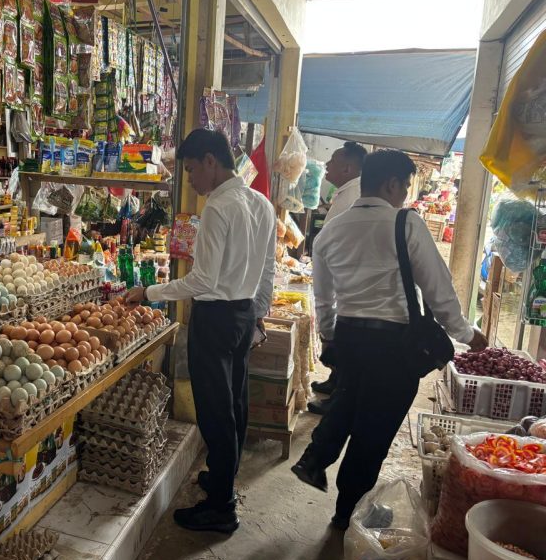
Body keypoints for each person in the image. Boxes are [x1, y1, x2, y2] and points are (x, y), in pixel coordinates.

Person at [291, 150, 487, 530]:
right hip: (393, 346)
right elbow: (437, 289)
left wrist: (330, 336)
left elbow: (323, 296)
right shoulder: (405, 224)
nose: (405, 195)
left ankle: (317, 458)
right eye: (406, 187)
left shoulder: (330, 229)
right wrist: (465, 333)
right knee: (374, 429)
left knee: (351, 401)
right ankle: (349, 509)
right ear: (392, 183)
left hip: (349, 337)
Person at [125, 129, 276, 534]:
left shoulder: (218, 209)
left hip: (215, 318)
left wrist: (150, 292)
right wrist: (258, 314)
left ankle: (221, 507)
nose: (190, 180)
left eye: (191, 170)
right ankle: (222, 476)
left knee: (215, 411)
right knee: (235, 403)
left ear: (211, 161)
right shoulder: (261, 204)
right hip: (243, 316)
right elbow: (266, 271)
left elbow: (203, 281)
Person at [309, 141, 368, 414]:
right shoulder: (347, 192)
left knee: (342, 345)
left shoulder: (352, 196)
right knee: (341, 347)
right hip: (343, 278)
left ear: (348, 167)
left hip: (344, 281)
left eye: (332, 160)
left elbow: (332, 244)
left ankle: (337, 399)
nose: (327, 165)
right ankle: (335, 382)